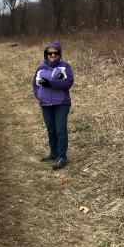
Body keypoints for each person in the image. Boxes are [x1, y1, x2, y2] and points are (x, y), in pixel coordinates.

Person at [32, 42, 74, 170]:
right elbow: (35, 84)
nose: (53, 55)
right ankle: (54, 153)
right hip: (46, 103)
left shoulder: (64, 67)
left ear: (59, 54)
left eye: (55, 52)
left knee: (60, 129)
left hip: (61, 103)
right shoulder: (40, 68)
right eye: (50, 53)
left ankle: (62, 157)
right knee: (51, 129)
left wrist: (51, 83)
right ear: (46, 54)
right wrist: (39, 95)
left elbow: (68, 82)